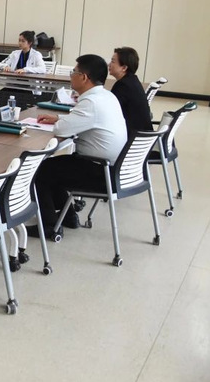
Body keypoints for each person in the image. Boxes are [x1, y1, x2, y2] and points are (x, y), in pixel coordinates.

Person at [31, 54, 127, 238]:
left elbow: (61, 130)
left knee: (42, 170)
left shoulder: (91, 102)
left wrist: (60, 122)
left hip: (101, 171)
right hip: (114, 168)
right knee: (56, 167)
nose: (71, 75)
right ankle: (68, 217)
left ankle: (49, 226)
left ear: (84, 77)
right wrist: (59, 118)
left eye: (73, 72)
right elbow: (84, 120)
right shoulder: (106, 96)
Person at [109, 46, 153, 138]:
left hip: (131, 137)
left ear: (124, 67)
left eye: (113, 61)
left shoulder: (123, 86)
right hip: (141, 138)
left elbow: (109, 112)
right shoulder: (132, 81)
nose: (109, 64)